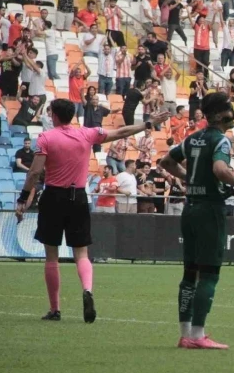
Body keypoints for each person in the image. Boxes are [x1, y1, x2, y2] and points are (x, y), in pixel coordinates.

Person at [15, 99, 168, 323]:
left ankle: (55, 309)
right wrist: (147, 124)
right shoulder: (87, 133)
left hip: (54, 196)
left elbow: (35, 172)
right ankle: (87, 290)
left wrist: (23, 197)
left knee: (51, 255)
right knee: (81, 253)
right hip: (78, 196)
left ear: (54, 116)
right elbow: (121, 132)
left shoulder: (46, 138)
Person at [160, 92, 234, 349]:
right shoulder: (221, 141)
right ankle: (198, 335)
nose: (232, 113)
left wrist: (190, 178)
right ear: (217, 115)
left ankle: (185, 334)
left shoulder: (192, 138)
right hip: (210, 210)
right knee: (209, 274)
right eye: (228, 109)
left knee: (190, 273)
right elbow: (220, 169)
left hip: (190, 209)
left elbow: (166, 161)